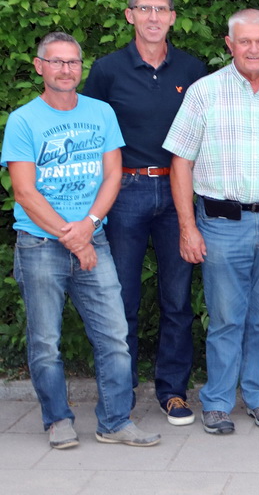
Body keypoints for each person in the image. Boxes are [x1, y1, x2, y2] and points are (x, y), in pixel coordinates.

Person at [1, 32, 160, 448]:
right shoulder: (23, 121)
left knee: (115, 336)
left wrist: (89, 225)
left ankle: (115, 422)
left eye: (72, 62)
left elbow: (113, 175)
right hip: (40, 245)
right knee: (45, 342)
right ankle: (58, 420)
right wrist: (75, 238)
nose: (65, 70)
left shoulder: (101, 112)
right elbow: (25, 193)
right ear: (40, 67)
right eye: (56, 62)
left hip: (94, 238)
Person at [163, 9, 259, 435]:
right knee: (225, 318)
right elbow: (181, 161)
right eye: (245, 41)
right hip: (221, 224)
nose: (253, 49)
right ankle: (218, 402)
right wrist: (187, 227)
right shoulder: (204, 92)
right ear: (229, 44)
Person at [83, 0, 206, 426]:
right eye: (144, 8)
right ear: (130, 15)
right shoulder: (107, 70)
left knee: (177, 300)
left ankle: (172, 391)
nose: (153, 17)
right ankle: (121, 392)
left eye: (161, 9)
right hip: (124, 193)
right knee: (121, 300)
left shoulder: (193, 70)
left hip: (177, 193)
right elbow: (91, 134)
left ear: (172, 17)